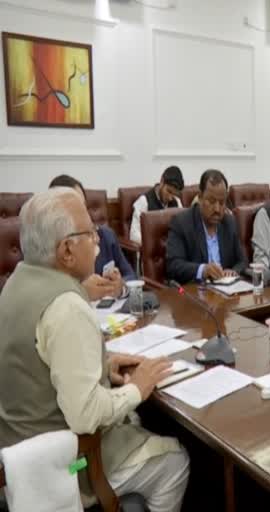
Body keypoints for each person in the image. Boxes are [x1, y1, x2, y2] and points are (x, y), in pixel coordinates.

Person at [0, 188, 189, 511]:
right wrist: (137, 388)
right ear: (67, 251)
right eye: (90, 233)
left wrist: (103, 364)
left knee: (136, 422)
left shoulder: (15, 284)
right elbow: (86, 416)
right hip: (69, 466)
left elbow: (42, 360)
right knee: (174, 459)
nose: (98, 241)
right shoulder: (68, 307)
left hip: (16, 456)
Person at [48, 175, 136, 301]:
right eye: (73, 209)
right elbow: (43, 298)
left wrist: (120, 287)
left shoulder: (104, 236)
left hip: (112, 316)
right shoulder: (45, 249)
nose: (82, 214)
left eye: (82, 206)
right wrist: (82, 292)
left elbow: (131, 275)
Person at [166, 169, 247, 283]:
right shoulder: (181, 223)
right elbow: (173, 266)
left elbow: (242, 261)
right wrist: (203, 270)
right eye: (212, 201)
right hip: (196, 292)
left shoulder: (229, 222)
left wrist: (234, 271)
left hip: (227, 293)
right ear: (200, 197)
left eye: (222, 202)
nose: (217, 209)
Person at [129, 166, 184, 246]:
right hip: (151, 253)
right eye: (169, 191)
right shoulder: (144, 202)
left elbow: (182, 229)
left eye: (174, 194)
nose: (170, 198)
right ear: (162, 181)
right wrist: (155, 244)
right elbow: (134, 235)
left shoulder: (177, 202)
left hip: (172, 251)